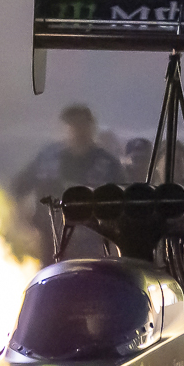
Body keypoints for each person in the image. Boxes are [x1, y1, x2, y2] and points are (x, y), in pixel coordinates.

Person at [13, 104, 121, 260]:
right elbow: (20, 186)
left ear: (91, 127)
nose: (78, 130)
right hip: (50, 243)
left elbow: (122, 200)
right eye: (73, 125)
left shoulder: (107, 164)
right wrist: (23, 219)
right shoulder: (47, 158)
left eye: (82, 124)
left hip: (92, 244)